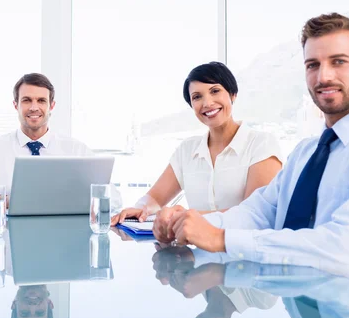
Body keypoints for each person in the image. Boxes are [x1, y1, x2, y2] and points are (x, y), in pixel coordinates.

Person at [155, 13, 349, 277]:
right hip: (297, 308)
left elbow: (346, 248)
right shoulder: (305, 154)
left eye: (338, 62)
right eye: (312, 65)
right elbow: (257, 213)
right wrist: (185, 223)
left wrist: (221, 239)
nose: (324, 76)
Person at [112, 62, 282, 225]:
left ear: (232, 94)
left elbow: (255, 214)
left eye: (215, 91)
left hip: (244, 251)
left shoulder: (261, 144)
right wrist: (141, 209)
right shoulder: (187, 150)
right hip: (196, 252)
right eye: (197, 97)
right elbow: (155, 198)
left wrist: (188, 217)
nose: (207, 103)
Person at [0, 73, 95, 204]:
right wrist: (4, 200)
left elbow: (111, 196)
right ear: (16, 105)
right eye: (27, 100)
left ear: (52, 106)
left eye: (41, 101)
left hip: (64, 232)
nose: (34, 107)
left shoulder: (76, 150)